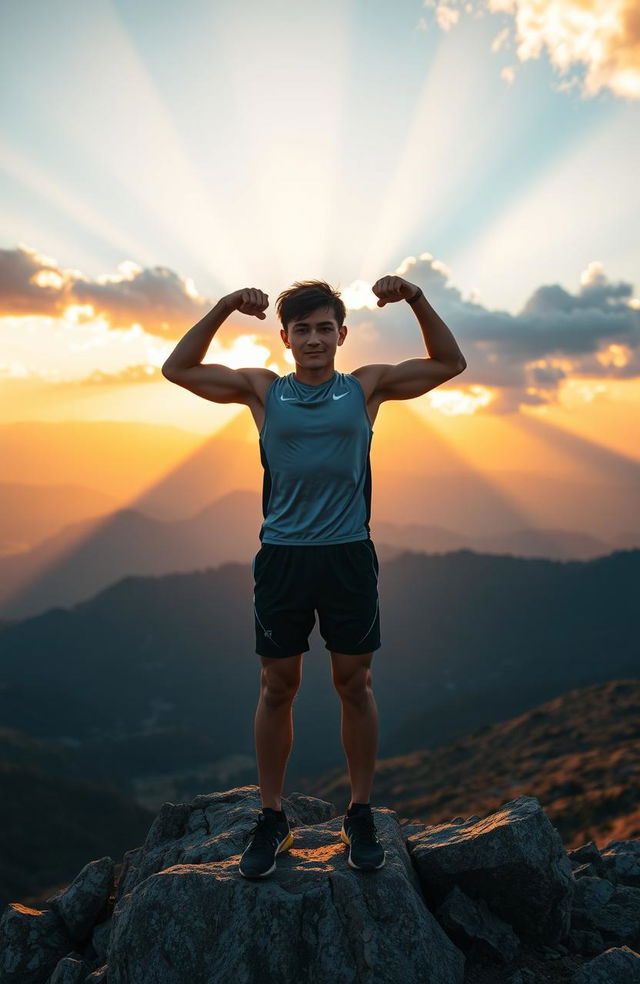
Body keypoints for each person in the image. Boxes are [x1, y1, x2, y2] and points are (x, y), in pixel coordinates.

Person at [162, 276, 466, 878]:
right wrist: (224, 306)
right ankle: (271, 816)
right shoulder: (262, 390)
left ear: (342, 334)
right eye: (302, 329)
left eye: (325, 327)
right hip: (284, 557)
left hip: (348, 553)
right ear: (285, 338)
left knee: (355, 683)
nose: (314, 338)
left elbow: (449, 363)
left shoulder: (367, 387)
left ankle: (359, 812)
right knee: (278, 685)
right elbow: (178, 369)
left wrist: (415, 299)